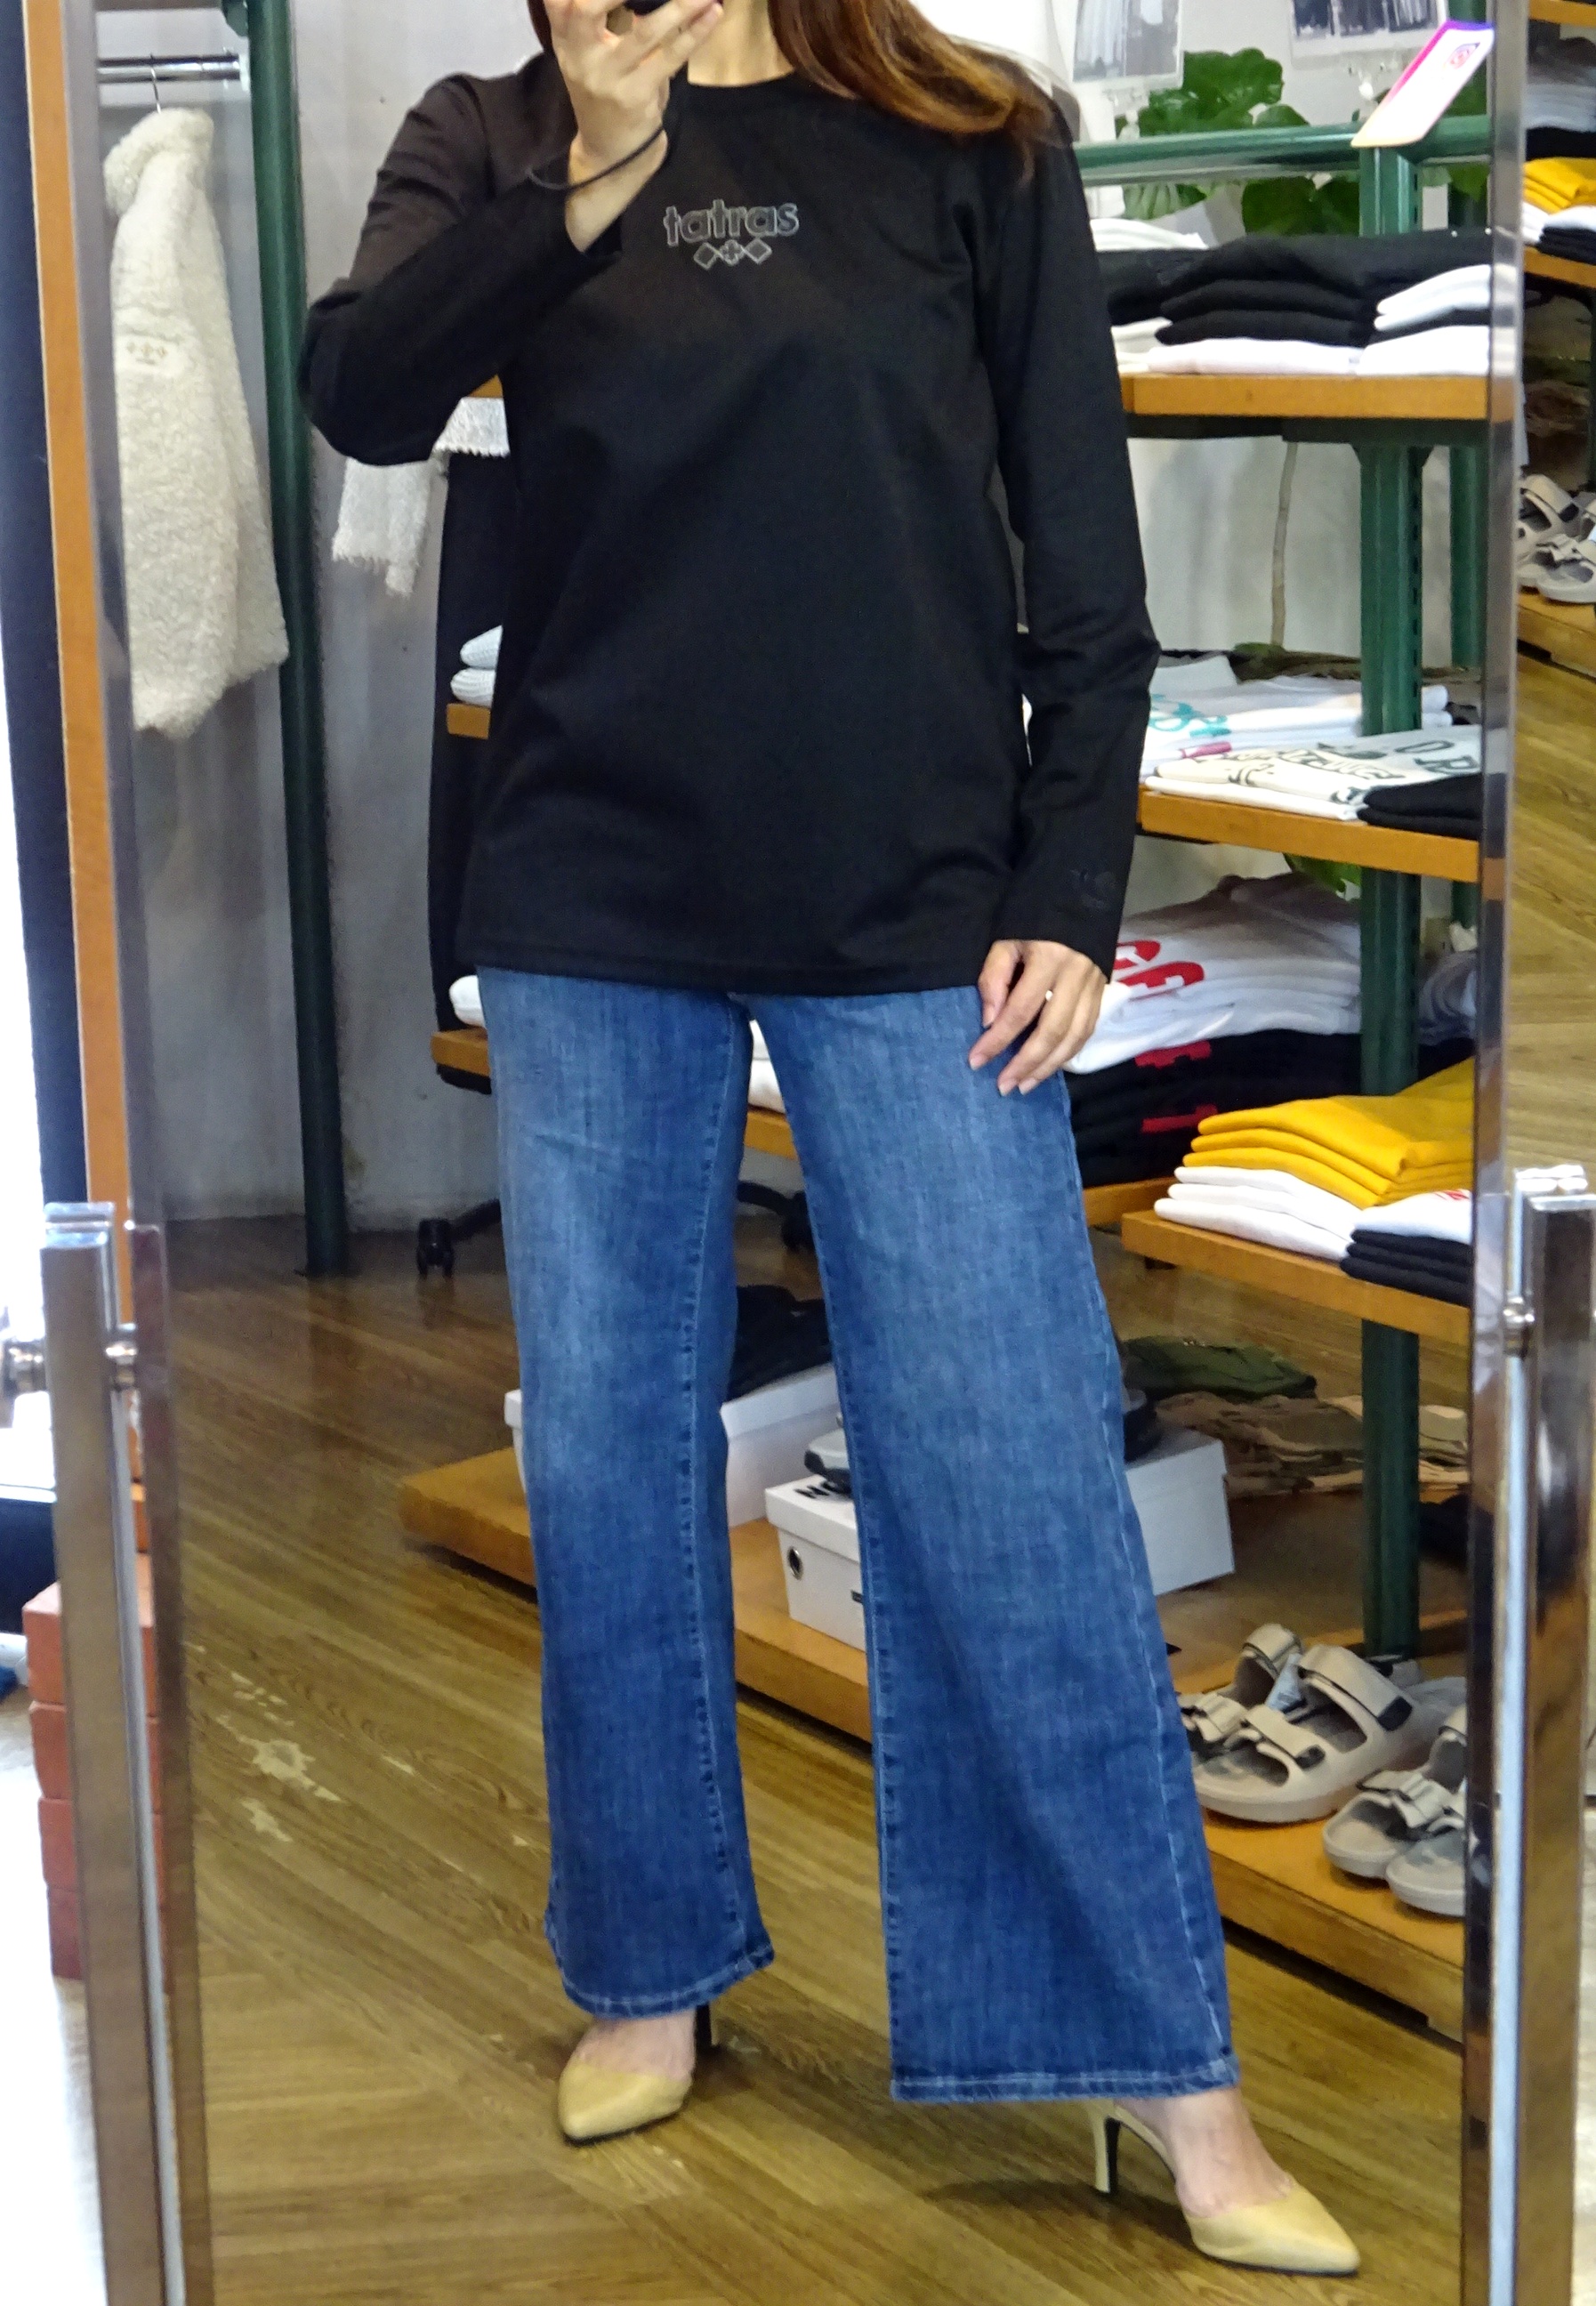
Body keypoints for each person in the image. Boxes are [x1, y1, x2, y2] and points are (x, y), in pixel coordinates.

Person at [302, 0, 1358, 2275]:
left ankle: (1160, 2065)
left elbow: (1082, 544)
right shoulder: (490, 136)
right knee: (608, 1458)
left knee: (1012, 1467)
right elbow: (364, 395)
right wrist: (592, 168)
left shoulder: (966, 133)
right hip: (591, 898)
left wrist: (1072, 880)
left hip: (916, 911)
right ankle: (650, 1969)